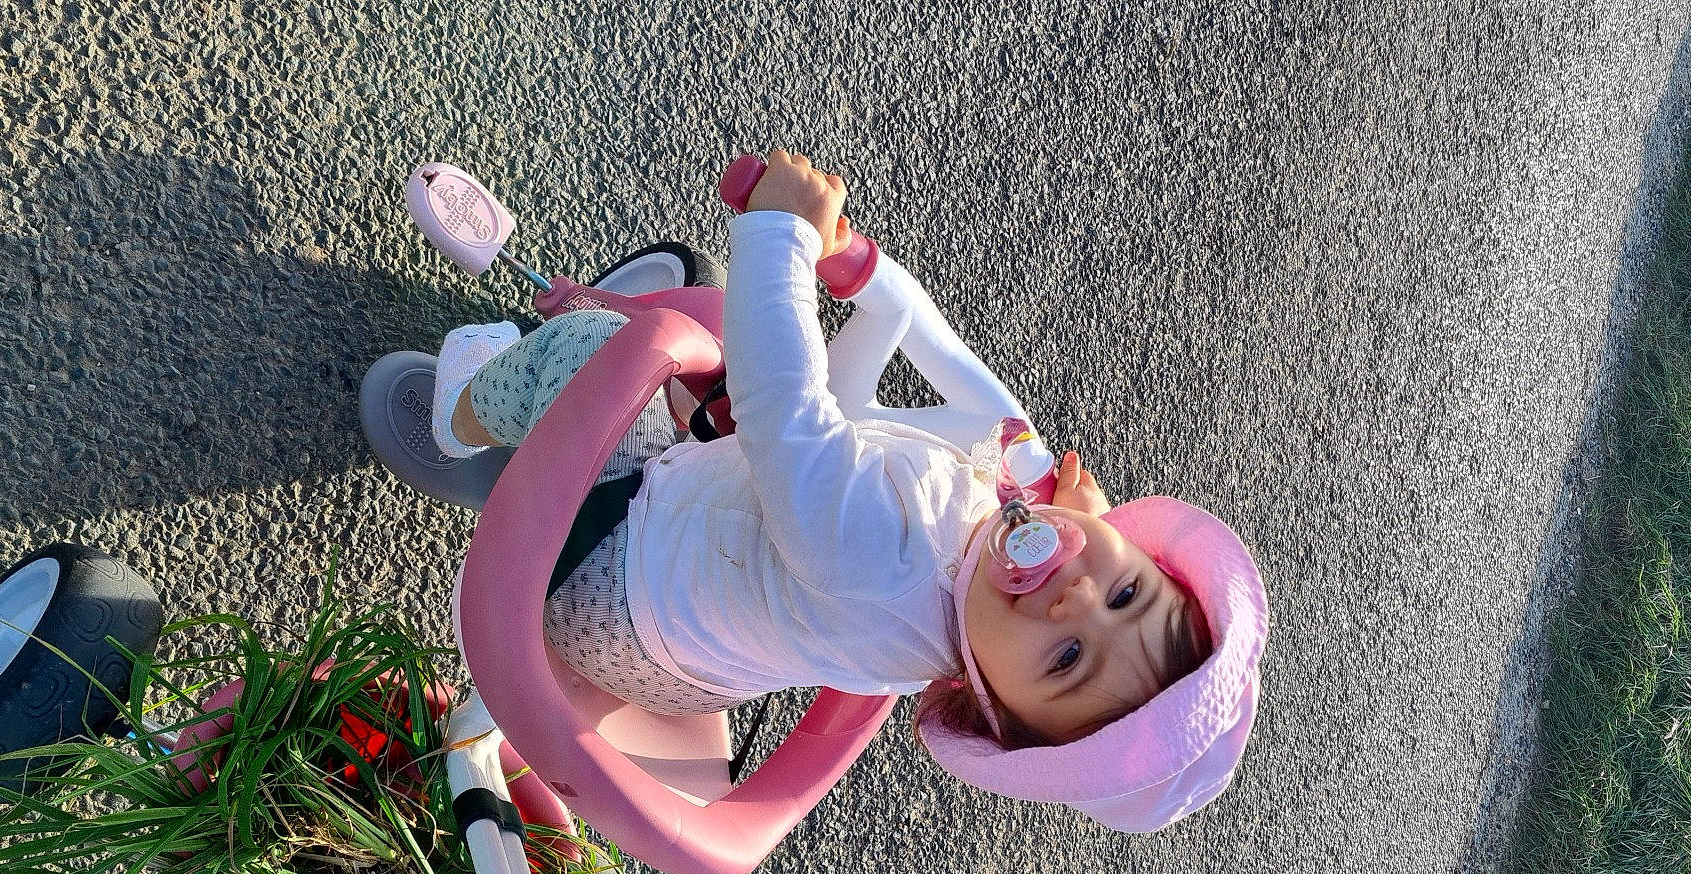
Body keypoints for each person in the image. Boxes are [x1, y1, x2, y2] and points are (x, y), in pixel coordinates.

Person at [431, 150, 1268, 832]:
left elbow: (783, 414)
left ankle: (461, 403)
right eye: (1127, 591)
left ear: (991, 712)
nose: (1075, 594)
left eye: (1069, 658)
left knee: (597, 345)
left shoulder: (889, 550)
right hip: (687, 663)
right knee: (729, 351)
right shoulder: (966, 613)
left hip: (601, 572)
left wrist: (783, 235)